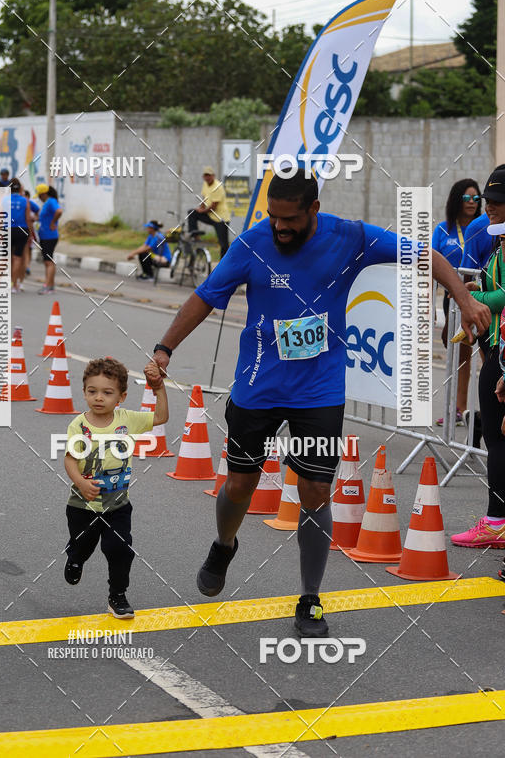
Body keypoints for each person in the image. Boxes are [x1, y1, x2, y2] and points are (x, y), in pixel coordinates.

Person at [150, 169, 490, 638]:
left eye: (289, 218)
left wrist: (463, 298)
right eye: (273, 217)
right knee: (239, 486)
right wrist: (164, 349)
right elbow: (205, 298)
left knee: (313, 491)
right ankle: (224, 543)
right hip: (258, 386)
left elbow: (425, 256)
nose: (279, 227)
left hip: (318, 389)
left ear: (313, 209)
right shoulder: (252, 244)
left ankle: (310, 597)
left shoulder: (349, 237)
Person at [63, 356, 169, 619]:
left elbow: (161, 416)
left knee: (120, 549)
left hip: (117, 505)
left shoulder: (127, 420)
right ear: (85, 392)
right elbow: (70, 459)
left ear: (121, 397)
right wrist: (81, 482)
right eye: (92, 391)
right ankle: (75, 557)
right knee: (83, 543)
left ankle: (117, 596)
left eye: (107, 393)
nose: (99, 398)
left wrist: (159, 389)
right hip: (82, 505)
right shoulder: (79, 425)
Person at [452, 166, 505, 550]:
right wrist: (479, 285)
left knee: (498, 441)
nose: (489, 208)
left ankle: (496, 522)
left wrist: (474, 299)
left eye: (498, 203)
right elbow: (497, 285)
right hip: (497, 347)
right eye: (487, 201)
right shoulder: (498, 240)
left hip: (502, 353)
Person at [432, 178, 482, 425]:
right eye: (466, 198)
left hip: (480, 298)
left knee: (486, 354)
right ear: (456, 200)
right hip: (451, 301)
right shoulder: (443, 229)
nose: (472, 202)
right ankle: (458, 409)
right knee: (458, 355)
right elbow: (430, 262)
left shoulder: (485, 227)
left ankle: (488, 411)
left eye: (476, 198)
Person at [187, 165, 231, 258]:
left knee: (223, 244)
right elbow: (204, 199)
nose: (207, 177)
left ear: (213, 176)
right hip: (210, 216)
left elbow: (213, 207)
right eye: (205, 175)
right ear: (203, 177)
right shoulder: (205, 184)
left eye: (209, 175)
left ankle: (224, 262)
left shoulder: (218, 186)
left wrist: (202, 211)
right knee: (192, 212)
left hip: (220, 218)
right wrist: (200, 208)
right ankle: (195, 235)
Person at [3, 178, 35, 293]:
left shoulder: (5, 200)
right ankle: (15, 284)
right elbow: (28, 218)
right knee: (18, 258)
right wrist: (30, 233)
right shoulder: (25, 200)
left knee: (9, 258)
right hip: (22, 230)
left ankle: (11, 283)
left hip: (8, 229)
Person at [35, 184, 62, 294]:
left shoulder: (51, 201)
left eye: (39, 195)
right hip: (45, 235)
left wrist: (52, 223)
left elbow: (59, 211)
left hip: (49, 236)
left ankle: (48, 286)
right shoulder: (47, 203)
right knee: (48, 261)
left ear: (43, 194)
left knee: (48, 262)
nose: (38, 198)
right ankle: (50, 285)